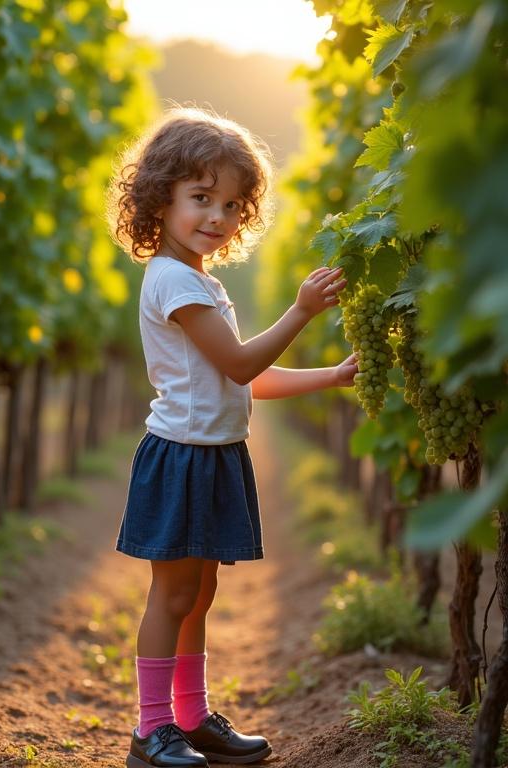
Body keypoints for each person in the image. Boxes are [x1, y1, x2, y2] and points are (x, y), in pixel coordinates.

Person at [108, 106, 357, 768]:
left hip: (215, 455)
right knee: (175, 594)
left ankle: (191, 718)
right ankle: (150, 729)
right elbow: (242, 362)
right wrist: (300, 311)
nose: (216, 216)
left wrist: (331, 375)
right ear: (159, 198)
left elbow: (246, 382)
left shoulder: (202, 281)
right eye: (200, 198)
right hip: (181, 457)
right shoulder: (173, 282)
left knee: (203, 592)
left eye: (230, 204)